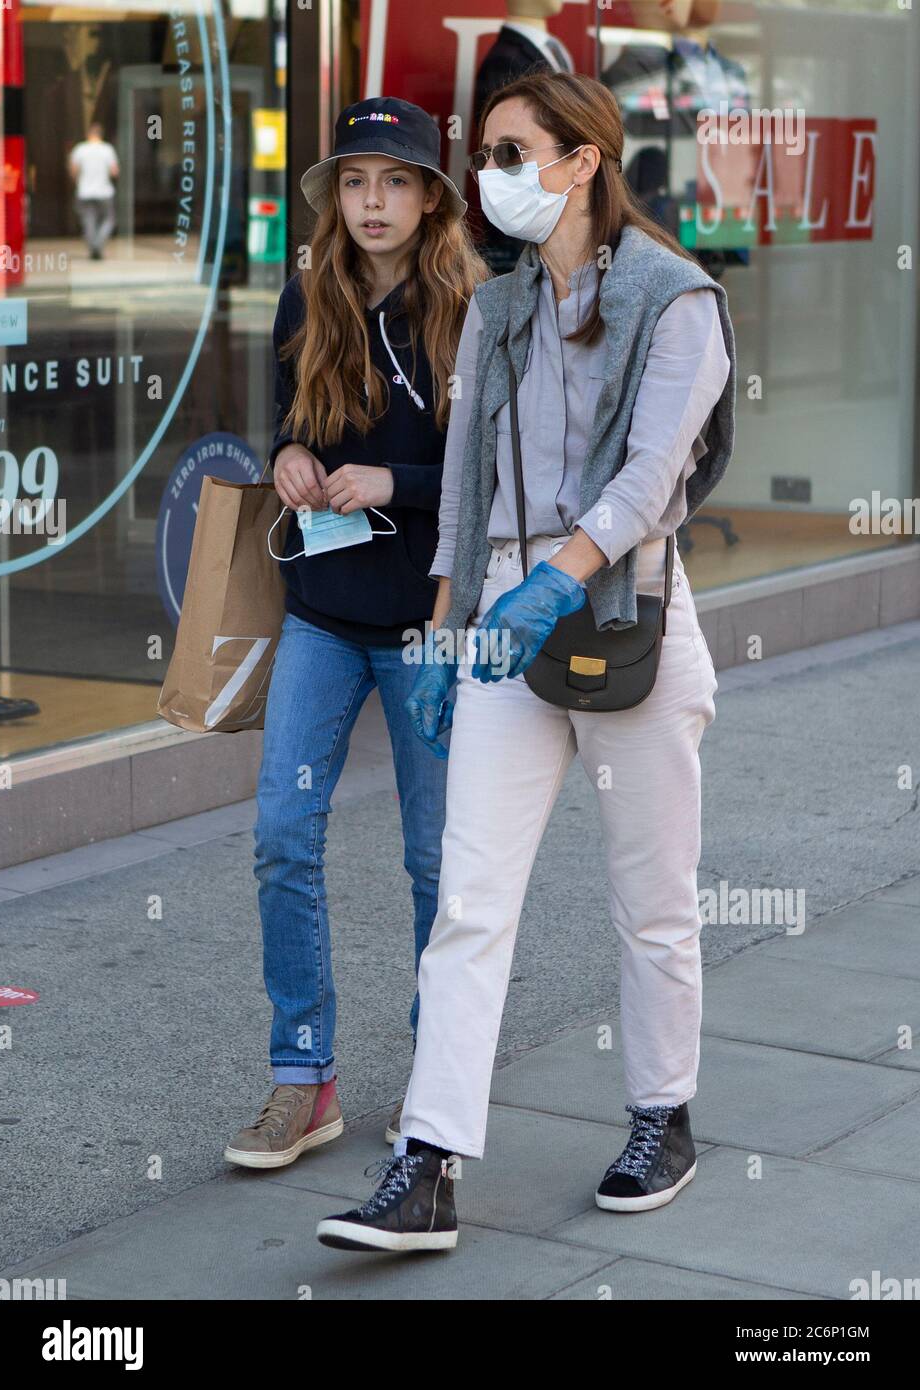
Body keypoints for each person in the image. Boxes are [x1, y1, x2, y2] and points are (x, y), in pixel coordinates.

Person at [316, 70, 735, 1253]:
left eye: (509, 153)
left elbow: (653, 472)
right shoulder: (498, 310)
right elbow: (461, 489)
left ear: (582, 161)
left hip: (620, 606)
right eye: (485, 154)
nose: (488, 177)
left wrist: (561, 579)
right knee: (469, 898)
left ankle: (663, 1115)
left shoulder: (676, 298)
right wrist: (455, 626)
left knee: (650, 899)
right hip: (502, 606)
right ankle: (428, 1161)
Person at [224, 97, 488, 1171]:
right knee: (283, 836)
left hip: (426, 620)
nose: (371, 202)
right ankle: (305, 1076)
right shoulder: (309, 293)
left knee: (435, 859)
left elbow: (494, 474)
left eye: (394, 181)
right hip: (323, 613)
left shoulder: (474, 307)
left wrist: (399, 479)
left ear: (431, 197)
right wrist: (288, 455)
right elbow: (296, 420)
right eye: (354, 182)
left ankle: (440, 1070)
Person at [68, 122, 119, 260]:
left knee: (88, 220)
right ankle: (98, 243)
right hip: (104, 191)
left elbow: (73, 171)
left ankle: (93, 246)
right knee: (109, 219)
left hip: (85, 191)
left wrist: (78, 182)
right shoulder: (107, 149)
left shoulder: (80, 149)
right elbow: (114, 171)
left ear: (88, 134)